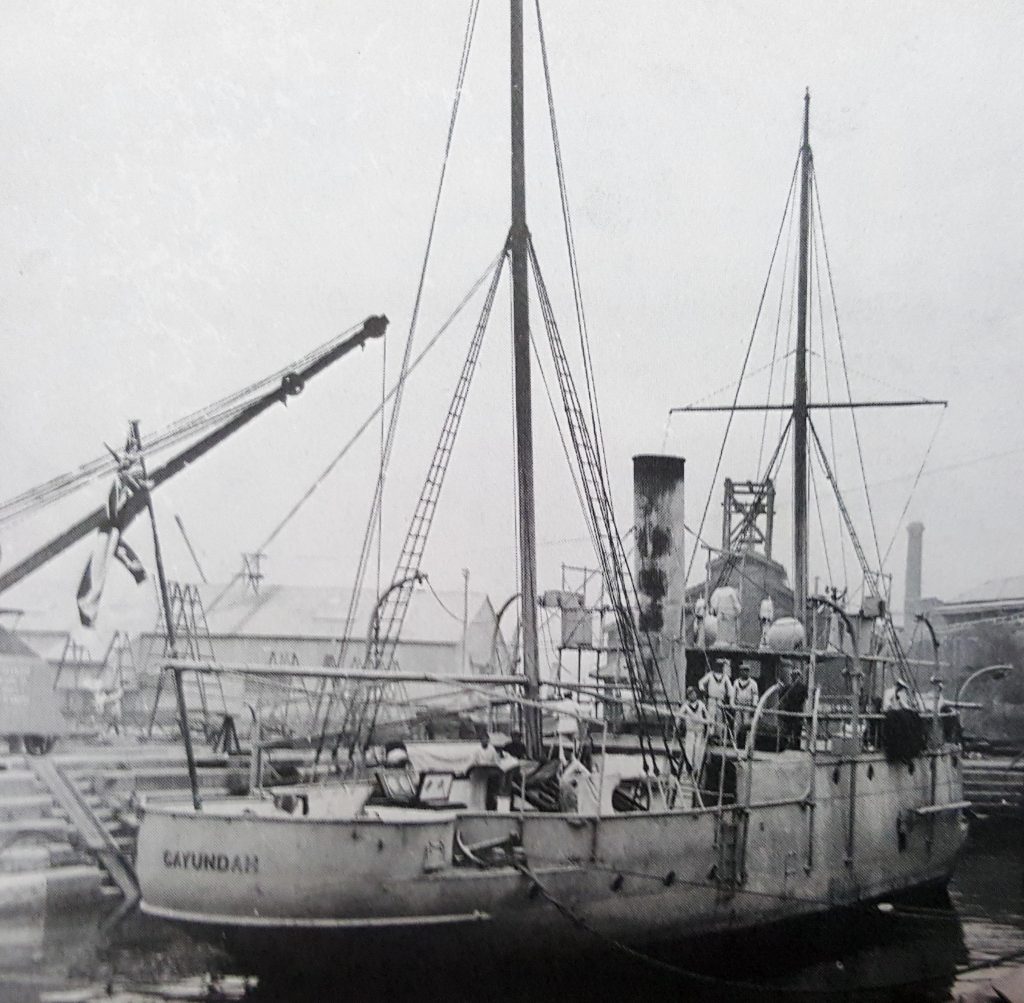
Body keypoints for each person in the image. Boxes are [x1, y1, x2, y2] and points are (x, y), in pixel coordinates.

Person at [699, 660, 734, 743]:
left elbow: (730, 689)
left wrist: (730, 698)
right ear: (715, 666)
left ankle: (718, 736)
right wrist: (703, 690)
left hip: (720, 700)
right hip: (711, 699)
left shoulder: (725, 677)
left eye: (721, 666)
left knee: (719, 718)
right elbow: (701, 682)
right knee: (710, 716)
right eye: (717, 666)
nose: (719, 667)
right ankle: (709, 735)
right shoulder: (710, 675)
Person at [679, 687, 710, 777]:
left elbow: (707, 716)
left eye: (694, 694)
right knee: (689, 750)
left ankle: (697, 769)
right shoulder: (685, 706)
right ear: (688, 696)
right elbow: (679, 716)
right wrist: (678, 725)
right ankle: (688, 769)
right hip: (690, 731)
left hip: (699, 731)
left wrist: (708, 723)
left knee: (698, 749)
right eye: (690, 694)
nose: (693, 695)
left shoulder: (701, 704)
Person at [778, 663, 808, 750]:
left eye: (797, 675)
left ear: (799, 676)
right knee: (787, 729)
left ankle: (796, 746)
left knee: (797, 730)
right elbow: (781, 697)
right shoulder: (787, 687)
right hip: (789, 710)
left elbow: (805, 700)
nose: (795, 677)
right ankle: (786, 745)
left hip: (798, 710)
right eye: (794, 675)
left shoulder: (803, 687)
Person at [731, 663, 760, 749]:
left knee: (748, 726)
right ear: (740, 672)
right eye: (743, 671)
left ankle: (748, 746)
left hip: (748, 707)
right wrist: (732, 704)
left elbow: (755, 695)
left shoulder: (753, 683)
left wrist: (754, 706)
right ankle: (734, 744)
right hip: (738, 706)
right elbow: (733, 695)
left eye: (747, 671)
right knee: (736, 726)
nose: (745, 673)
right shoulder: (736, 682)